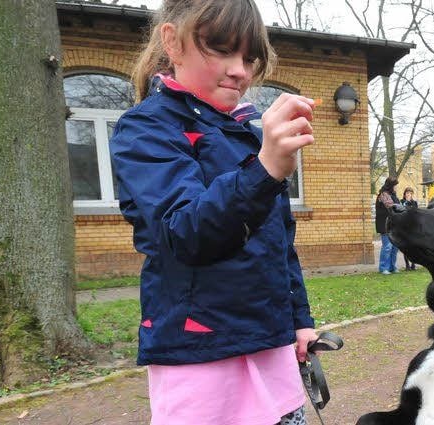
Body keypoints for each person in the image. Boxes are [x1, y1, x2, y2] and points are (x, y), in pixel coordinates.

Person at [109, 1, 317, 424]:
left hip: (270, 345)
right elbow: (185, 232)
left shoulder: (247, 135)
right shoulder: (146, 128)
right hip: (198, 354)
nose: (240, 71)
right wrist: (265, 169)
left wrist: (299, 320)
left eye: (249, 58)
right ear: (173, 42)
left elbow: (280, 243)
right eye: (221, 49)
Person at [375, 176, 400, 274]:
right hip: (385, 225)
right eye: (395, 185)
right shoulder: (383, 194)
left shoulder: (393, 194)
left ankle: (392, 267)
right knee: (387, 246)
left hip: (394, 224)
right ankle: (383, 268)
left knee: (394, 247)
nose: (396, 187)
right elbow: (392, 207)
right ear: (390, 185)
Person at [400, 187, 419, 270]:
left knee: (413, 246)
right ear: (404, 194)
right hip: (404, 227)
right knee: (405, 247)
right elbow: (402, 211)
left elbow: (416, 213)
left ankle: (413, 264)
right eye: (407, 193)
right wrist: (406, 202)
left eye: (410, 193)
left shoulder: (414, 203)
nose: (409, 194)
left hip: (412, 227)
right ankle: (407, 265)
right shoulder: (402, 202)